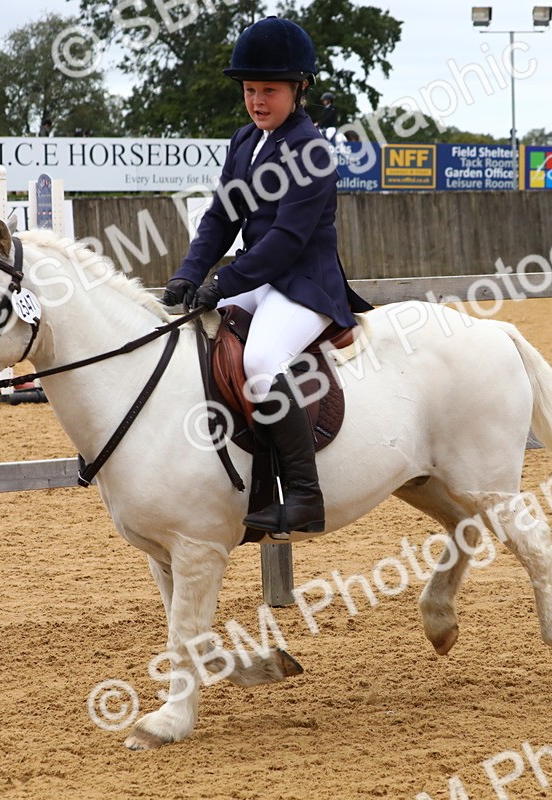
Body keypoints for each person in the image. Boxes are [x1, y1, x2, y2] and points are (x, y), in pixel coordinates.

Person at [161, 16, 371, 536]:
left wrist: (224, 282)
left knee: (259, 359)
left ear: (298, 89)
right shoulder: (244, 141)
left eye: (268, 90)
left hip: (305, 283)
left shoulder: (312, 150)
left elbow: (285, 241)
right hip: (262, 278)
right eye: (250, 90)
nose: (257, 100)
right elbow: (220, 218)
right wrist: (189, 274)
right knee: (207, 340)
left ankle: (304, 494)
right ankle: (248, 481)